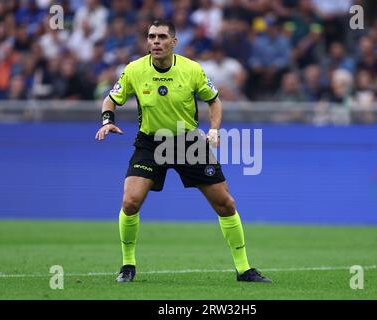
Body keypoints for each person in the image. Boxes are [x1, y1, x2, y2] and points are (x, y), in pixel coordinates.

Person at [95, 19, 271, 283]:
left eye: (162, 37)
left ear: (173, 42)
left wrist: (214, 129)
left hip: (188, 143)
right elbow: (111, 98)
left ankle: (244, 269)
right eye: (152, 36)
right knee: (130, 201)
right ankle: (127, 265)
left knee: (225, 204)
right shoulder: (134, 70)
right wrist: (108, 121)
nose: (156, 41)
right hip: (151, 143)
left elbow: (215, 101)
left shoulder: (191, 70)